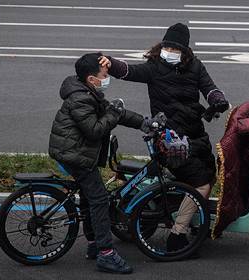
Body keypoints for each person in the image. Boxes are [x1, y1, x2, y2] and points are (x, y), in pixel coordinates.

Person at [99, 23, 230, 253]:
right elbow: (128, 71)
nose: (169, 50)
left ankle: (192, 220)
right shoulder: (154, 68)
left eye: (175, 48)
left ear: (185, 51)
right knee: (202, 184)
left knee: (211, 171)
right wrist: (109, 62)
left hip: (195, 136)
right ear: (161, 47)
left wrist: (218, 100)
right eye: (167, 46)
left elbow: (210, 89)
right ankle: (177, 235)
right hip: (170, 141)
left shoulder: (196, 68)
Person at [48, 52, 159, 274]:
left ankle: (94, 244)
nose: (107, 77)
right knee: (99, 200)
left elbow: (114, 113)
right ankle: (106, 254)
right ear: (91, 79)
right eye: (105, 74)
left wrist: (145, 123)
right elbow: (95, 129)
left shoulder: (87, 91)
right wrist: (114, 112)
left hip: (74, 150)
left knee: (90, 198)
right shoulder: (81, 98)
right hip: (74, 154)